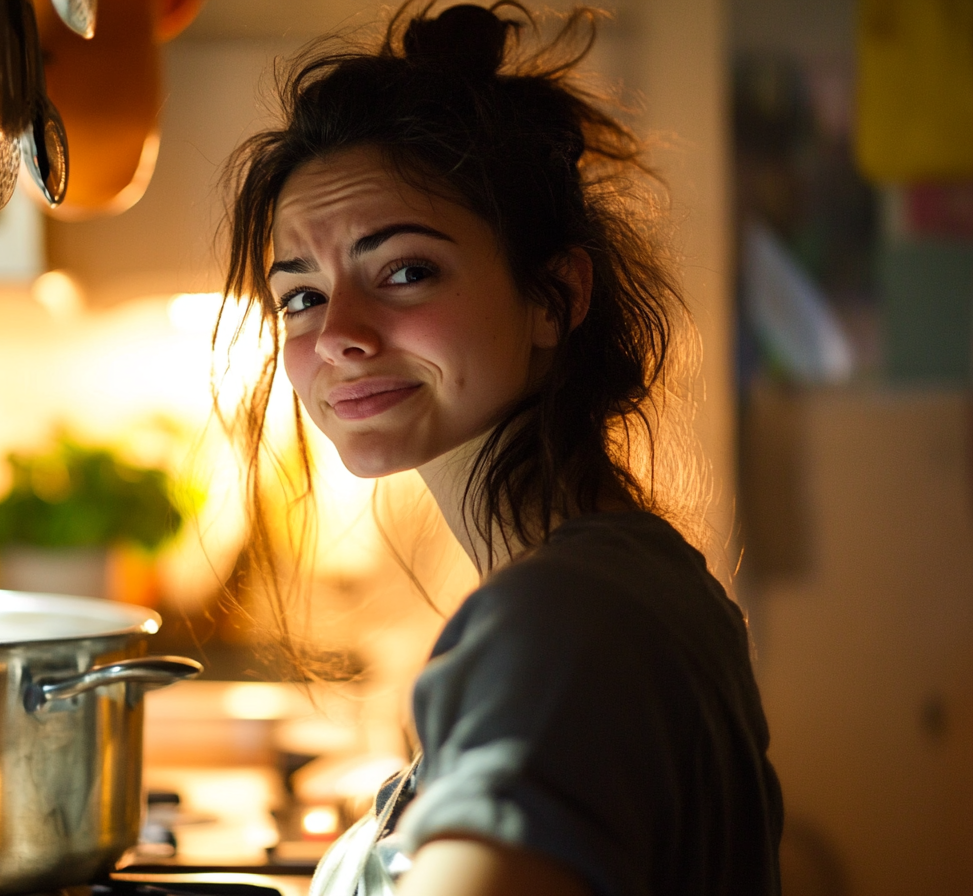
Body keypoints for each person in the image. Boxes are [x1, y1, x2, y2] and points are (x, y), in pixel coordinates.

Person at [216, 3, 783, 895]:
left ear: (554, 296)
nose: (338, 337)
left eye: (404, 270)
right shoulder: (631, 582)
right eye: (301, 296)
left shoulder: (562, 623)